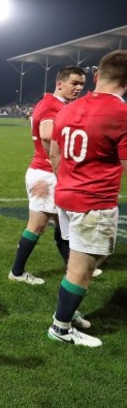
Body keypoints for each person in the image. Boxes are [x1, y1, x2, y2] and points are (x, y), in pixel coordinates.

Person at [47, 50, 127, 347]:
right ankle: (61, 326)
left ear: (96, 76)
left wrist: (69, 181)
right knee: (82, 268)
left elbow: (54, 153)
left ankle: (68, 309)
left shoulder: (69, 108)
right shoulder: (121, 113)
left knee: (86, 261)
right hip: (94, 200)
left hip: (66, 195)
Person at [8, 66, 86, 285]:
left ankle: (73, 267)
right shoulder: (52, 106)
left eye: (81, 83)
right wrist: (60, 172)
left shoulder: (56, 104)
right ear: (59, 83)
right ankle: (17, 272)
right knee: (37, 226)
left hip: (46, 173)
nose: (79, 88)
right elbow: (46, 137)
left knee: (63, 224)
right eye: (74, 83)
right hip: (46, 174)